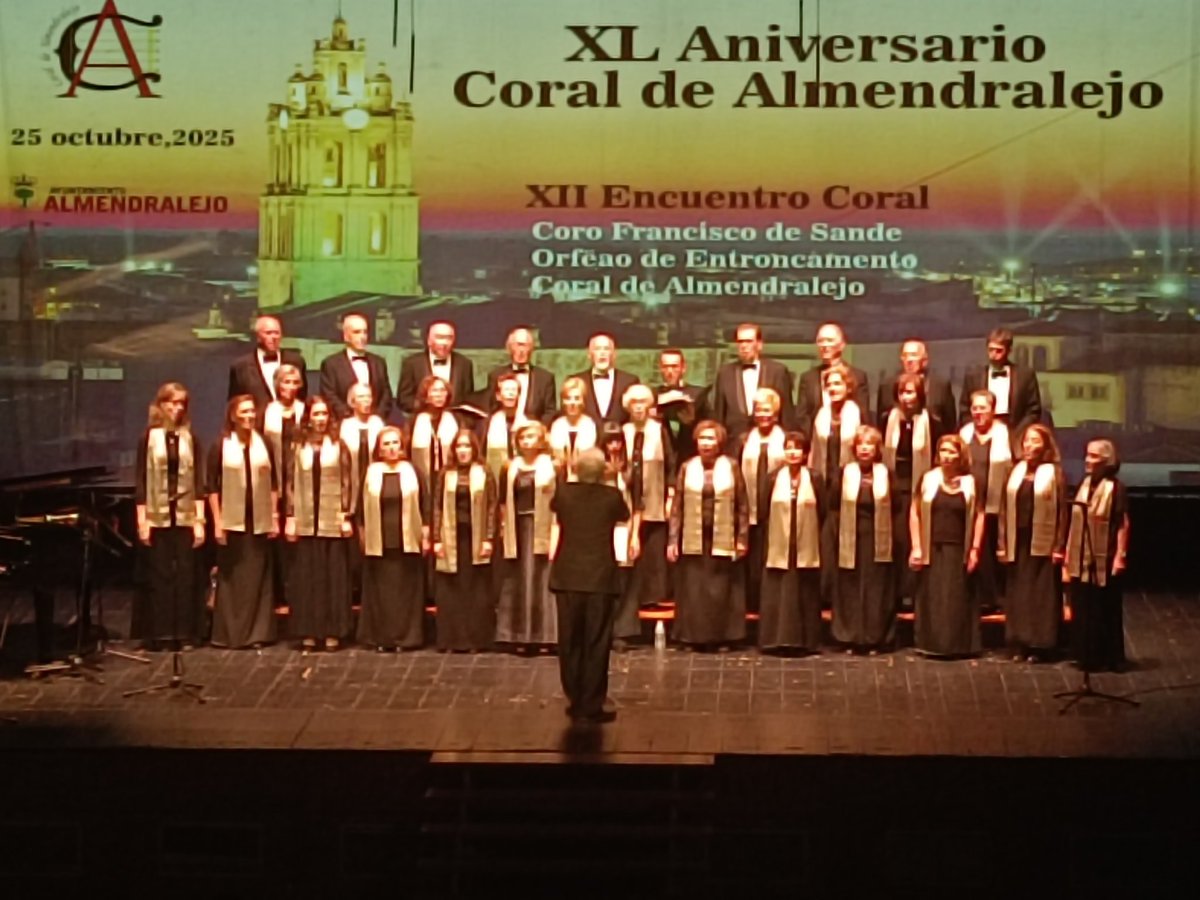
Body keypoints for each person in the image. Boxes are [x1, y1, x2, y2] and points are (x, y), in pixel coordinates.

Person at [550, 448, 631, 724]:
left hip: (568, 576)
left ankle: (575, 698)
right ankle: (592, 703)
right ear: (602, 471)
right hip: (599, 578)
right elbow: (624, 514)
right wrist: (613, 478)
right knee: (596, 642)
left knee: (570, 640)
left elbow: (556, 511)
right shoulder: (611, 496)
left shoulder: (564, 493)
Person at [132, 382, 206, 650]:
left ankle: (184, 633)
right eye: (171, 403)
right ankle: (160, 633)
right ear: (160, 405)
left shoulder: (190, 437)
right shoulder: (148, 438)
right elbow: (140, 480)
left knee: (186, 576)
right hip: (157, 515)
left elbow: (198, 481)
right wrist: (143, 520)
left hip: (185, 514)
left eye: (180, 404)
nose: (176, 409)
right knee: (160, 576)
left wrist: (199, 521)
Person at [667, 420, 749, 650]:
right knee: (694, 589)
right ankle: (692, 637)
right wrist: (673, 539)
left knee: (721, 589)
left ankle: (722, 637)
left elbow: (742, 504)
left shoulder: (731, 466)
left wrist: (742, 538)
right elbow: (678, 506)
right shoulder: (687, 467)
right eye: (702, 438)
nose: (706, 443)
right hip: (693, 536)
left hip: (722, 535)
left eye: (711, 438)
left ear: (720, 442)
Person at [208, 395, 279, 649]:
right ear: (233, 415)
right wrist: (217, 522)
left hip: (258, 521)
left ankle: (257, 633)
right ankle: (230, 634)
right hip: (232, 520)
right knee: (232, 578)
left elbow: (273, 484)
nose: (249, 416)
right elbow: (211, 488)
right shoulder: (221, 445)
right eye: (244, 411)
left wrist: (274, 516)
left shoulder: (265, 443)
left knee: (258, 577)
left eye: (252, 411)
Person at [284, 395, 353, 651]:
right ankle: (308, 631)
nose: (321, 419)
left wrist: (346, 514)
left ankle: (333, 631)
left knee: (332, 577)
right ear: (308, 418)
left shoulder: (338, 445)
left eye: (325, 414)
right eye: (316, 414)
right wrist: (290, 516)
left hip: (332, 520)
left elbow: (348, 481)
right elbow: (289, 482)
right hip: (305, 520)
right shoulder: (297, 446)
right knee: (307, 577)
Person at [997, 423, 1067, 662]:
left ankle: (1041, 644)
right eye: (1026, 440)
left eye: (1035, 441)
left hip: (1043, 541)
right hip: (1019, 540)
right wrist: (1002, 542)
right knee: (1019, 593)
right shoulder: (1015, 470)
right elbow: (1005, 509)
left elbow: (1062, 511)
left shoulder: (1054, 472)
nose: (1028, 445)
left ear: (1045, 445)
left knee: (1041, 593)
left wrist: (1059, 546)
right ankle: (1020, 641)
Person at [356, 426, 428, 651]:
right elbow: (359, 510)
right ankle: (382, 638)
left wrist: (425, 534)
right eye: (386, 444)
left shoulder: (413, 471)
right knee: (382, 594)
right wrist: (362, 537)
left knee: (406, 593)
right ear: (379, 449)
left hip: (407, 541)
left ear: (402, 445)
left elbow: (426, 505)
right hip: (380, 541)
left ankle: (407, 638)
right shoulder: (371, 472)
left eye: (395, 442)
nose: (391, 448)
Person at [909, 435, 981, 657]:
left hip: (958, 548)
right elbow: (915, 512)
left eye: (952, 452)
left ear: (960, 456)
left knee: (956, 599)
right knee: (933, 597)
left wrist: (975, 549)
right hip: (932, 547)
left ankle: (957, 645)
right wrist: (916, 546)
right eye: (943, 451)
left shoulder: (971, 483)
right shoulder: (928, 479)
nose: (947, 456)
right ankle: (932, 644)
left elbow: (979, 515)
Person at [1063, 439, 1130, 672]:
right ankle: (1085, 654)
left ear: (1106, 460)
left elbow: (1122, 522)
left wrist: (1120, 555)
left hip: (1106, 553)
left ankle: (1108, 656)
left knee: (1105, 606)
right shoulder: (1084, 483)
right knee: (1084, 604)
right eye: (1087, 456)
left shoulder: (1116, 488)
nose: (1087, 461)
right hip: (1082, 553)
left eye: (1093, 456)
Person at [431, 429, 498, 653]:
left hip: (476, 538)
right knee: (451, 590)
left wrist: (489, 537)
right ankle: (451, 640)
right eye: (459, 446)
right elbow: (437, 506)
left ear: (474, 449)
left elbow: (491, 506)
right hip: (451, 538)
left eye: (467, 446)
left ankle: (474, 641)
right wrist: (437, 538)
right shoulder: (445, 474)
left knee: (475, 590)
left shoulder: (484, 472)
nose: (463, 451)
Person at [759, 431, 825, 655]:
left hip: (806, 542)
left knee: (804, 589)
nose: (793, 452)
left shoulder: (815, 478)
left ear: (806, 453)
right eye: (788, 447)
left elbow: (823, 511)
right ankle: (774, 640)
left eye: (798, 448)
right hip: (779, 543)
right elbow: (763, 509)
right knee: (778, 589)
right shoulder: (772, 477)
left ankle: (805, 642)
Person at [495, 420, 559, 652]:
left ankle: (546, 636)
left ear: (541, 439)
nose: (526, 441)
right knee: (518, 580)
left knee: (541, 579)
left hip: (544, 526)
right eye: (522, 438)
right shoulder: (509, 467)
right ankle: (519, 636)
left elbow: (560, 501)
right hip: (517, 527)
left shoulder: (553, 466)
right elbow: (503, 501)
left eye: (531, 436)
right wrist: (504, 528)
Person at [832, 426, 895, 652]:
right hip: (850, 536)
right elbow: (833, 506)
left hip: (878, 537)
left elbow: (896, 507)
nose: (865, 449)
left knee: (876, 588)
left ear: (877, 449)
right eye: (861, 444)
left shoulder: (886, 473)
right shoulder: (844, 472)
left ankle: (875, 638)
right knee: (850, 586)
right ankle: (850, 637)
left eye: (869, 444)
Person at [882, 371, 943, 605]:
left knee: (916, 539)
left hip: (922, 486)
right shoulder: (888, 419)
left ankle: (915, 595)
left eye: (911, 392)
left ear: (919, 395)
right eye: (902, 392)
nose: (906, 398)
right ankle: (897, 593)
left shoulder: (933, 422)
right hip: (894, 486)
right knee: (897, 539)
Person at [621, 384, 675, 612]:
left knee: (652, 548)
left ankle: (652, 599)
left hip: (654, 494)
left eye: (643, 403)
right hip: (628, 495)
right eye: (634, 403)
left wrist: (671, 493)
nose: (639, 407)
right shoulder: (622, 431)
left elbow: (671, 462)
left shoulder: (659, 429)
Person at [959, 390, 1012, 612]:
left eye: (983, 408)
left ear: (993, 410)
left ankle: (992, 599)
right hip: (968, 502)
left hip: (994, 503)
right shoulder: (965, 433)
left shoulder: (1003, 434)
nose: (978, 413)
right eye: (975, 408)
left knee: (989, 552)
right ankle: (970, 597)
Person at [739, 387, 787, 615]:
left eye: (767, 409)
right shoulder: (744, 439)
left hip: (777, 508)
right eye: (758, 409)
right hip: (750, 507)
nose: (762, 414)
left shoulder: (786, 440)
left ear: (776, 413)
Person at [710, 323, 795, 441]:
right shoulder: (725, 373)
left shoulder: (777, 371)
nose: (744, 346)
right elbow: (719, 415)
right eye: (740, 342)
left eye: (749, 341)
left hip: (771, 443)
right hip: (733, 445)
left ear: (759, 344)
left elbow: (787, 414)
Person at [959, 327, 1041, 441]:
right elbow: (964, 409)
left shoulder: (1025, 375)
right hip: (980, 433)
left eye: (999, 350)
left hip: (1015, 431)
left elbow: (1033, 410)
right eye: (991, 350)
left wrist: (1018, 433)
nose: (993, 355)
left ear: (1009, 350)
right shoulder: (973, 375)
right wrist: (975, 431)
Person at [600, 423, 640, 649]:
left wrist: (635, 535)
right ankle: (602, 631)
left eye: (618, 442)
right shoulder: (595, 469)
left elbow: (637, 505)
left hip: (624, 529)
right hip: (601, 530)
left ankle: (621, 632)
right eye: (610, 441)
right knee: (603, 581)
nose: (614, 446)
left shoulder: (631, 469)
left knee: (624, 582)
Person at [796, 322, 871, 434]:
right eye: (821, 341)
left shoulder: (858, 376)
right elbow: (802, 416)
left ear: (842, 345)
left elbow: (863, 415)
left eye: (830, 340)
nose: (825, 345)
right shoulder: (808, 378)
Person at [319, 313, 394, 420]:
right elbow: (329, 396)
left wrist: (376, 418)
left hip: (375, 426)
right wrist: (351, 419)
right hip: (343, 425)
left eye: (365, 332)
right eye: (356, 332)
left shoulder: (378, 362)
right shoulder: (331, 364)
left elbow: (386, 396)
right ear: (346, 336)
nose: (362, 337)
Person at [397, 320, 475, 415]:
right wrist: (427, 408)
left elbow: (469, 399)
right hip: (421, 422)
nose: (444, 342)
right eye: (440, 337)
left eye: (449, 338)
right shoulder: (412, 363)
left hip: (455, 423)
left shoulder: (464, 364)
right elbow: (404, 399)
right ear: (429, 340)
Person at [877, 339, 956, 433]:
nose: (909, 359)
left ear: (925, 359)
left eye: (914, 355)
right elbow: (880, 423)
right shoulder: (887, 385)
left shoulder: (940, 385)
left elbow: (950, 424)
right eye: (905, 355)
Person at [227, 314, 307, 407]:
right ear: (258, 336)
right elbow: (234, 405)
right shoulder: (241, 367)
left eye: (277, 333)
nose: (273, 337)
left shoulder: (296, 362)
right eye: (268, 333)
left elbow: (302, 397)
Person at [485, 326, 557, 424]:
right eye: (518, 345)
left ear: (532, 349)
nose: (521, 350)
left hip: (533, 434)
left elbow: (550, 412)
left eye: (525, 345)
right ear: (509, 347)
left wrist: (536, 429)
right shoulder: (495, 375)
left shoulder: (545, 378)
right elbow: (491, 409)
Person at [808, 364, 863, 485]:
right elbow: (815, 450)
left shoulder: (857, 413)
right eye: (829, 385)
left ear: (848, 387)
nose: (833, 388)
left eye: (837, 384)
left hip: (851, 479)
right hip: (823, 478)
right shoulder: (821, 414)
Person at [568, 332, 639, 426]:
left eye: (607, 349)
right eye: (597, 349)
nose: (602, 353)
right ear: (589, 354)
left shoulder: (630, 381)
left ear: (614, 354)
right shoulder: (575, 381)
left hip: (620, 439)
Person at [654, 347, 709, 466]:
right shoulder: (651, 395)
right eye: (666, 366)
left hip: (691, 456)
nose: (670, 371)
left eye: (674, 366)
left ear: (683, 368)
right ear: (660, 368)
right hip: (660, 457)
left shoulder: (698, 394)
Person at [338, 383, 385, 515]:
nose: (366, 401)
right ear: (352, 402)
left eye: (368, 397)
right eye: (361, 397)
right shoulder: (346, 426)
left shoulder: (378, 423)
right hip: (352, 485)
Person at [406, 375, 460, 487]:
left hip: (451, 477)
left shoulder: (456, 420)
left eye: (442, 390)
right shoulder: (414, 422)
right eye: (434, 391)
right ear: (426, 396)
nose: (439, 395)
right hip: (423, 478)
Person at [549, 376, 597, 481]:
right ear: (562, 401)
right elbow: (558, 457)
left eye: (576, 398)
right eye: (568, 398)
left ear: (583, 401)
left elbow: (584, 459)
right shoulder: (557, 425)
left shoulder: (589, 424)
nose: (572, 403)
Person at [481, 372, 523, 480]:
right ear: (498, 396)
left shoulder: (529, 423)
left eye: (514, 390)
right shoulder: (487, 424)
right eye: (507, 390)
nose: (510, 394)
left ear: (519, 395)